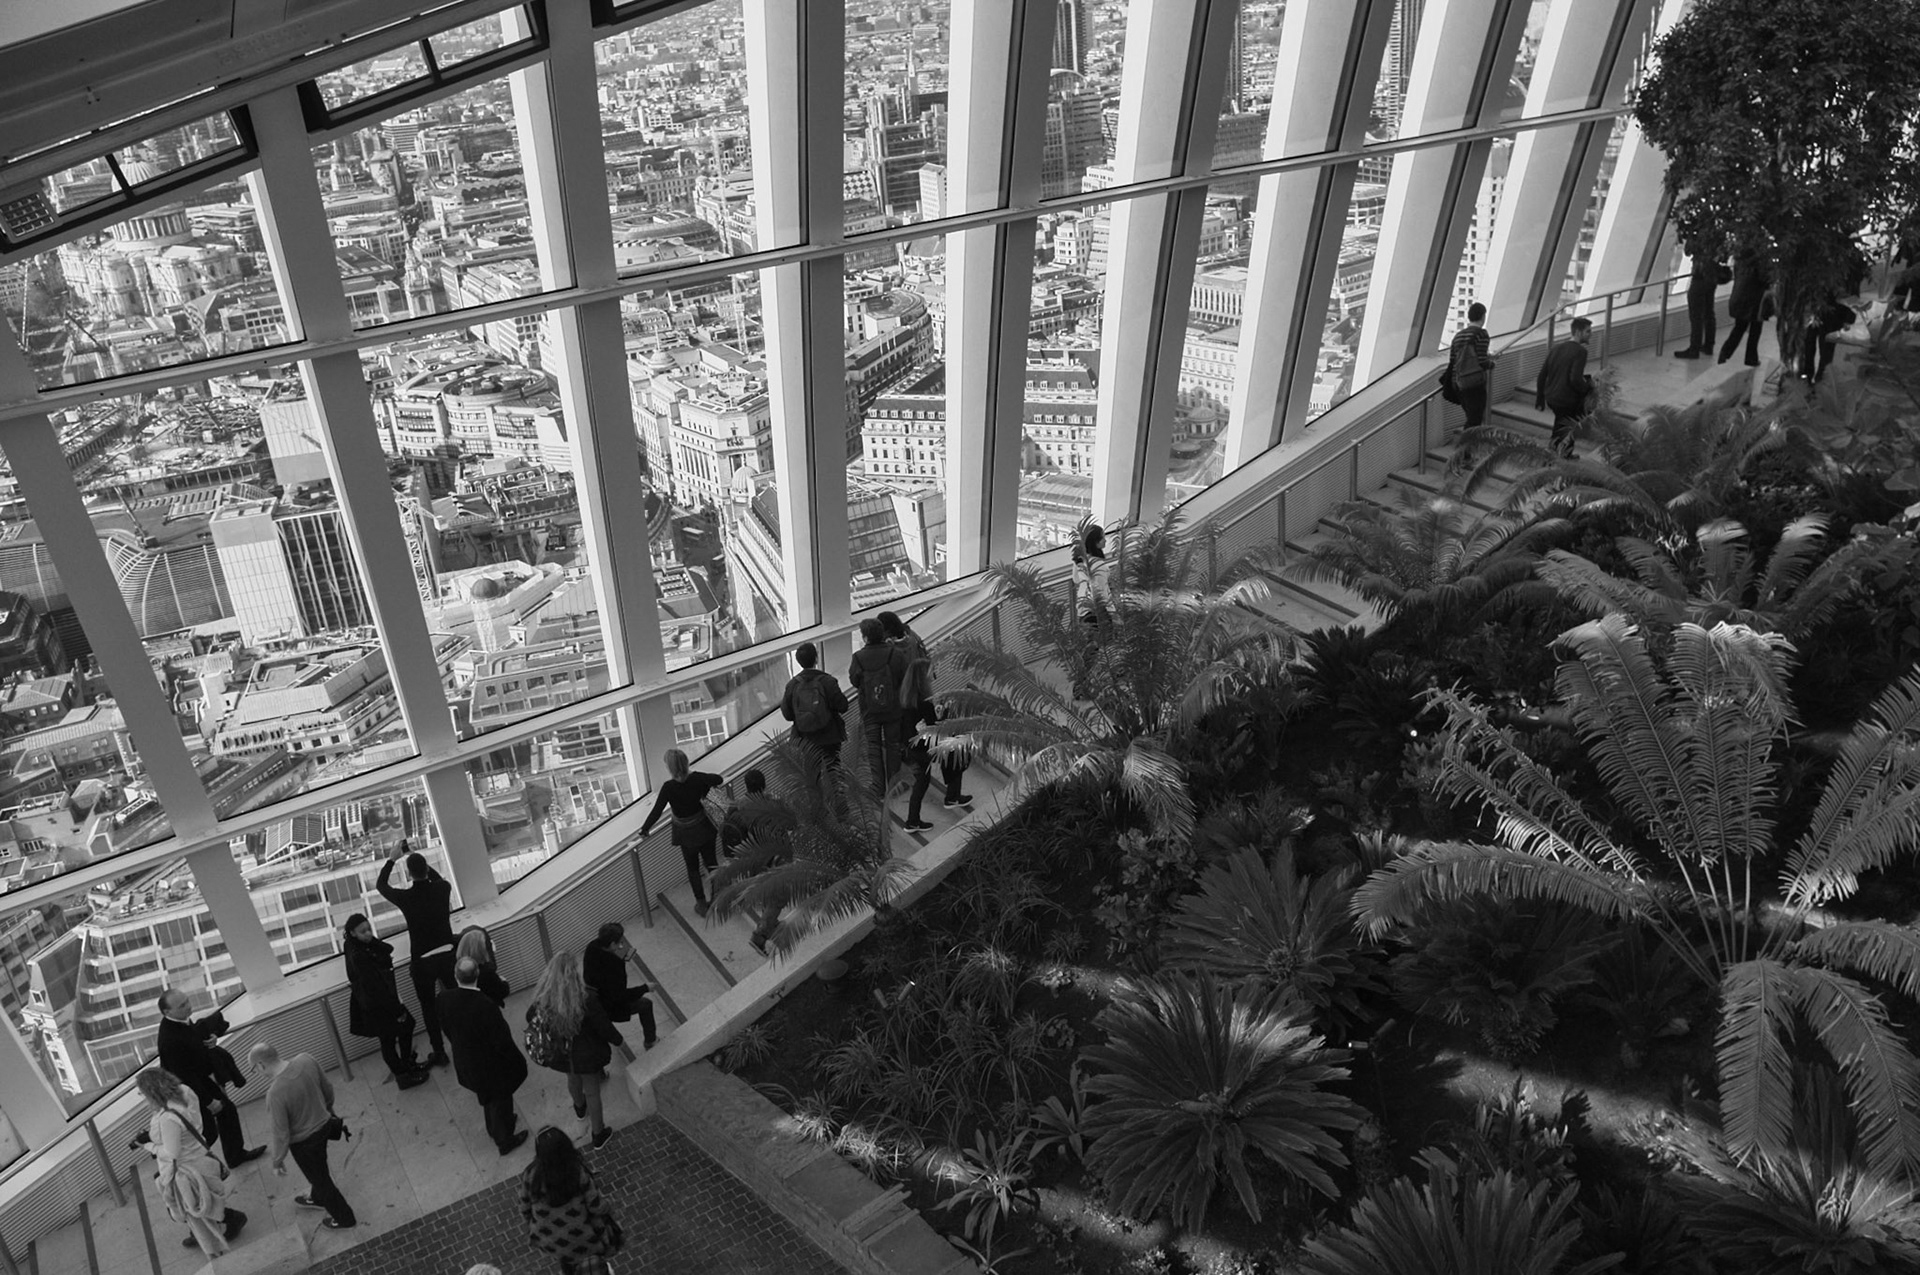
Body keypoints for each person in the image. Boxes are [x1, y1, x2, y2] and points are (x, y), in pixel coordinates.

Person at [134, 1068, 246, 1254]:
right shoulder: (185, 1091)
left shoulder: (167, 1117)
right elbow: (194, 1123)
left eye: (142, 1092)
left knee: (192, 1204)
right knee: (203, 1200)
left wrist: (149, 1146)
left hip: (187, 1167)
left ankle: (228, 1223)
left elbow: (172, 1153)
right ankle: (218, 1224)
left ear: (152, 1091)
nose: (143, 1097)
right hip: (200, 1155)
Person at [249, 1043, 354, 1230]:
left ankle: (344, 1218)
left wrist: (277, 1160)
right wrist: (326, 1111)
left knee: (321, 1180)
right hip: (325, 1126)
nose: (257, 1072)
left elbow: (281, 1133)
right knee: (319, 1167)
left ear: (261, 1065)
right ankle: (316, 1197)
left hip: (304, 1144)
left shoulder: (275, 1094)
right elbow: (327, 1089)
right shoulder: (306, 1059)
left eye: (254, 1069)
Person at [527, 951, 624, 1150]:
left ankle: (580, 1110)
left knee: (572, 1079)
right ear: (574, 973)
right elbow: (602, 1025)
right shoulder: (585, 997)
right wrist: (618, 1040)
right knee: (593, 1092)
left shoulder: (544, 998)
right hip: (587, 1053)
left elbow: (531, 1017)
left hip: (562, 1053)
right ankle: (598, 1134)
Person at [155, 989, 262, 1168]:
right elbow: (184, 1077)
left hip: (198, 1080)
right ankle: (176, 1165)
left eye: (187, 1001)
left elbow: (193, 1036)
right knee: (207, 1132)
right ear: (168, 1012)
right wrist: (209, 1101)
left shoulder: (179, 1021)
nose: (189, 1006)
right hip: (189, 1089)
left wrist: (212, 1038)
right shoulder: (170, 1040)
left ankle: (234, 1156)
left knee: (226, 1113)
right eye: (182, 1005)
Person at [437, 956, 529, 1156]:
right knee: (500, 1099)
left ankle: (494, 1128)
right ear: (477, 975)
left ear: (455, 975)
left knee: (487, 1096)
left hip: (466, 1060)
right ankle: (504, 1139)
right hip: (491, 1064)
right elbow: (501, 1039)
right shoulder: (485, 1004)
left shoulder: (444, 999)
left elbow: (446, 1028)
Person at [376, 844, 457, 1069]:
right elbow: (437, 878)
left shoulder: (407, 898)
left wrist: (392, 859)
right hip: (447, 954)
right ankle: (461, 1041)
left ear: (409, 874)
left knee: (429, 1008)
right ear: (426, 868)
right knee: (455, 999)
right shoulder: (443, 889)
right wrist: (413, 855)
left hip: (422, 961)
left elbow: (381, 885)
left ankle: (439, 1051)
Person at [518, 1127, 624, 1275]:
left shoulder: (531, 1174)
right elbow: (596, 1206)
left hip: (552, 1240)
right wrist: (610, 1207)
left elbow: (524, 1208)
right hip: (585, 1238)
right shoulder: (576, 1172)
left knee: (566, 1261)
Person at [341, 913, 430, 1090]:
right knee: (392, 1036)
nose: (368, 934)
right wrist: (397, 1010)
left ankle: (405, 1067)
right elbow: (376, 987)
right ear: (352, 933)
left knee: (393, 1035)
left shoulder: (354, 946)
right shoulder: (360, 956)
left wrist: (371, 940)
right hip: (379, 1004)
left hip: (376, 1001)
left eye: (368, 929)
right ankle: (403, 1073)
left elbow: (386, 949)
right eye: (363, 931)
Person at [636, 748, 726, 916]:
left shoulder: (668, 787)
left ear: (669, 768)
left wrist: (645, 829)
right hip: (704, 828)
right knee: (711, 862)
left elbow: (656, 811)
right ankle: (717, 898)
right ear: (686, 763)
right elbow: (718, 779)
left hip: (685, 834)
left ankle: (701, 904)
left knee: (692, 869)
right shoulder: (698, 778)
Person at [719, 769, 799, 956]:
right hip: (773, 858)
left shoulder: (736, 807)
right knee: (779, 896)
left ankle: (769, 922)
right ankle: (760, 936)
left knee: (764, 890)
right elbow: (790, 824)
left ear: (746, 786)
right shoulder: (771, 804)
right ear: (763, 785)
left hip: (749, 860)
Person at [848, 617, 909, 794]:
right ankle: (894, 785)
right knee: (893, 745)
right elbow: (903, 676)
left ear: (866, 637)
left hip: (870, 710)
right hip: (893, 708)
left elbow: (854, 680)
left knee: (873, 747)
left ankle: (878, 787)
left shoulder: (858, 658)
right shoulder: (894, 653)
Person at [582, 924, 658, 1049]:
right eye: (619, 943)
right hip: (608, 1005)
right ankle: (650, 1041)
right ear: (612, 944)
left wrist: (623, 954)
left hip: (593, 995)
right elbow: (620, 995)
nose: (621, 945)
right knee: (645, 1004)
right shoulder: (614, 966)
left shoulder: (592, 946)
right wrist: (645, 988)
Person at [902, 699, 972, 834]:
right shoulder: (923, 704)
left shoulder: (903, 703)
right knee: (955, 753)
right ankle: (952, 797)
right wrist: (942, 714)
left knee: (921, 782)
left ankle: (912, 821)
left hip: (910, 749)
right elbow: (935, 730)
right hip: (924, 748)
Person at [779, 641, 849, 775]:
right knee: (833, 771)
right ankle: (836, 794)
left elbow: (787, 715)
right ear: (816, 659)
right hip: (830, 736)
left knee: (812, 775)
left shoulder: (792, 685)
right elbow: (843, 706)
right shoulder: (828, 681)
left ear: (799, 662)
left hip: (805, 738)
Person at [1535, 316, 1594, 456]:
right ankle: (1563, 456)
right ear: (1578, 333)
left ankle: (1555, 453)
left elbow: (1542, 375)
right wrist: (1588, 388)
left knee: (1561, 425)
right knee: (1569, 426)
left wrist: (1540, 398)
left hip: (1552, 396)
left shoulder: (1556, 348)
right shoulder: (1580, 352)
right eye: (1588, 331)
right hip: (1566, 399)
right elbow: (1574, 379)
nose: (1590, 334)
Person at [1718, 249, 1771, 366]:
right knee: (1755, 330)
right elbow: (1765, 279)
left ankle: (1725, 353)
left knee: (1739, 328)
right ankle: (1751, 358)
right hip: (1756, 300)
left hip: (1740, 298)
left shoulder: (1740, 261)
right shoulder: (1760, 262)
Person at [1674, 243, 1728, 359]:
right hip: (1711, 278)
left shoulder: (1698, 235)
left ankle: (1694, 348)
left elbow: (1688, 251)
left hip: (1699, 277)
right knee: (1709, 313)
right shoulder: (1717, 236)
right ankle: (1709, 345)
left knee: (1696, 316)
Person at [1448, 302, 1496, 430]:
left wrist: (1455, 384)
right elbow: (1481, 361)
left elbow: (1453, 362)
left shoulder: (1458, 336)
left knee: (1471, 416)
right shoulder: (1482, 334)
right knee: (1475, 420)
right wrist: (1492, 364)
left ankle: (1468, 447)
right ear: (1482, 316)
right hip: (1475, 383)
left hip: (1461, 384)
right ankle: (1466, 448)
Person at [1800, 293, 1854, 384]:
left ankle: (1817, 378)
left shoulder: (1832, 306)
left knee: (1821, 351)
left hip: (1828, 321)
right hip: (1823, 323)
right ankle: (1813, 377)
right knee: (1813, 349)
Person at [457, 925, 511, 1007]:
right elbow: (503, 991)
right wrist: (504, 981)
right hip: (488, 1009)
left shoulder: (459, 967)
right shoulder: (486, 972)